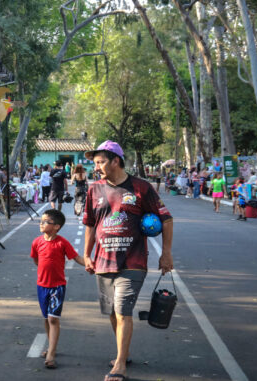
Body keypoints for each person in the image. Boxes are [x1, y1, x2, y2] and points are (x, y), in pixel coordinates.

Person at [82, 140, 174, 381]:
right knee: (112, 312)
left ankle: (120, 364)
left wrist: (166, 253)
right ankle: (123, 352)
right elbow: (91, 224)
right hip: (103, 261)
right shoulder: (94, 189)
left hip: (133, 261)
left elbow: (166, 219)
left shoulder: (141, 188)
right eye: (95, 163)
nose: (97, 167)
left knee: (123, 311)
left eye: (101, 162)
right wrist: (86, 255)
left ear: (116, 161)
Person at [30, 209, 85, 369]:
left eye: (46, 221)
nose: (41, 223)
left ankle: (51, 353)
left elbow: (77, 258)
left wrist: (91, 265)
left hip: (57, 287)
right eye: (41, 221)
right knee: (46, 318)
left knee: (53, 319)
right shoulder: (37, 242)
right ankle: (50, 346)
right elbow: (35, 259)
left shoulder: (62, 243)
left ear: (56, 227)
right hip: (42, 286)